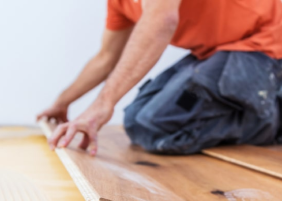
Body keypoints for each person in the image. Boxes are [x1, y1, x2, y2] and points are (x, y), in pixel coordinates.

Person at [37, 0, 282, 156]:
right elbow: (106, 57)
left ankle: (274, 119)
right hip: (215, 54)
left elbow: (161, 21)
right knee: (136, 121)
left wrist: (101, 105)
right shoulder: (119, 3)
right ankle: (251, 104)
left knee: (156, 125)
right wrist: (62, 102)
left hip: (262, 47)